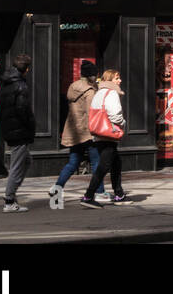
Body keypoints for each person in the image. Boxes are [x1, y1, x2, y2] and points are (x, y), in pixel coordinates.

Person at [52, 60, 101, 203]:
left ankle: (57, 188)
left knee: (73, 162)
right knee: (96, 162)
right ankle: (100, 191)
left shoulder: (73, 87)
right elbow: (91, 113)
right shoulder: (90, 92)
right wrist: (95, 132)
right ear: (91, 76)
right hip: (87, 131)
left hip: (74, 130)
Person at [82, 69, 129, 208]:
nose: (119, 81)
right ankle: (88, 196)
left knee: (116, 163)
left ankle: (119, 193)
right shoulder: (112, 93)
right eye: (117, 78)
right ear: (109, 80)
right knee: (104, 166)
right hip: (109, 133)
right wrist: (122, 123)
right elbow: (115, 115)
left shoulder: (99, 92)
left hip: (99, 133)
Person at [0, 53, 36, 212]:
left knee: (26, 161)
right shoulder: (20, 86)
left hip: (9, 128)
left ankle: (12, 192)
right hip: (19, 130)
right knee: (18, 165)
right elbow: (23, 110)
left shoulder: (5, 83)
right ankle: (9, 199)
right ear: (26, 69)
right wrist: (30, 125)